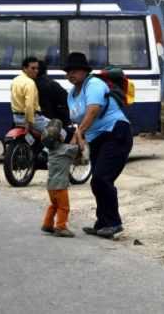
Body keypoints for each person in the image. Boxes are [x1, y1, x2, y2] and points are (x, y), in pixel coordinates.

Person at [63, 52, 132, 239]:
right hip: (98, 139)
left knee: (102, 178)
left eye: (76, 70)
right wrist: (78, 141)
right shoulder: (71, 94)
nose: (72, 74)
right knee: (97, 181)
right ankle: (103, 223)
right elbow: (78, 119)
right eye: (68, 71)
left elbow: (93, 110)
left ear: (85, 71)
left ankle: (114, 223)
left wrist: (79, 133)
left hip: (115, 132)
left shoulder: (93, 84)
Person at [41, 118, 79, 238]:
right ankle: (61, 227)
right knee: (64, 207)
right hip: (60, 186)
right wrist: (78, 134)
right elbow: (79, 148)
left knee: (54, 205)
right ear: (60, 138)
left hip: (50, 186)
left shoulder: (49, 150)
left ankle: (47, 224)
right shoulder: (65, 149)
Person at [10, 56, 49, 134]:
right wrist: (29, 123)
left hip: (17, 119)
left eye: (37, 68)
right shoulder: (30, 83)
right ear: (25, 68)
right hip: (32, 120)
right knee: (60, 131)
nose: (36, 71)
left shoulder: (15, 80)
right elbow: (29, 106)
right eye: (33, 68)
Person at [35, 60, 70, 126]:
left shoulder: (29, 84)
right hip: (52, 122)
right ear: (45, 71)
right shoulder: (52, 84)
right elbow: (66, 100)